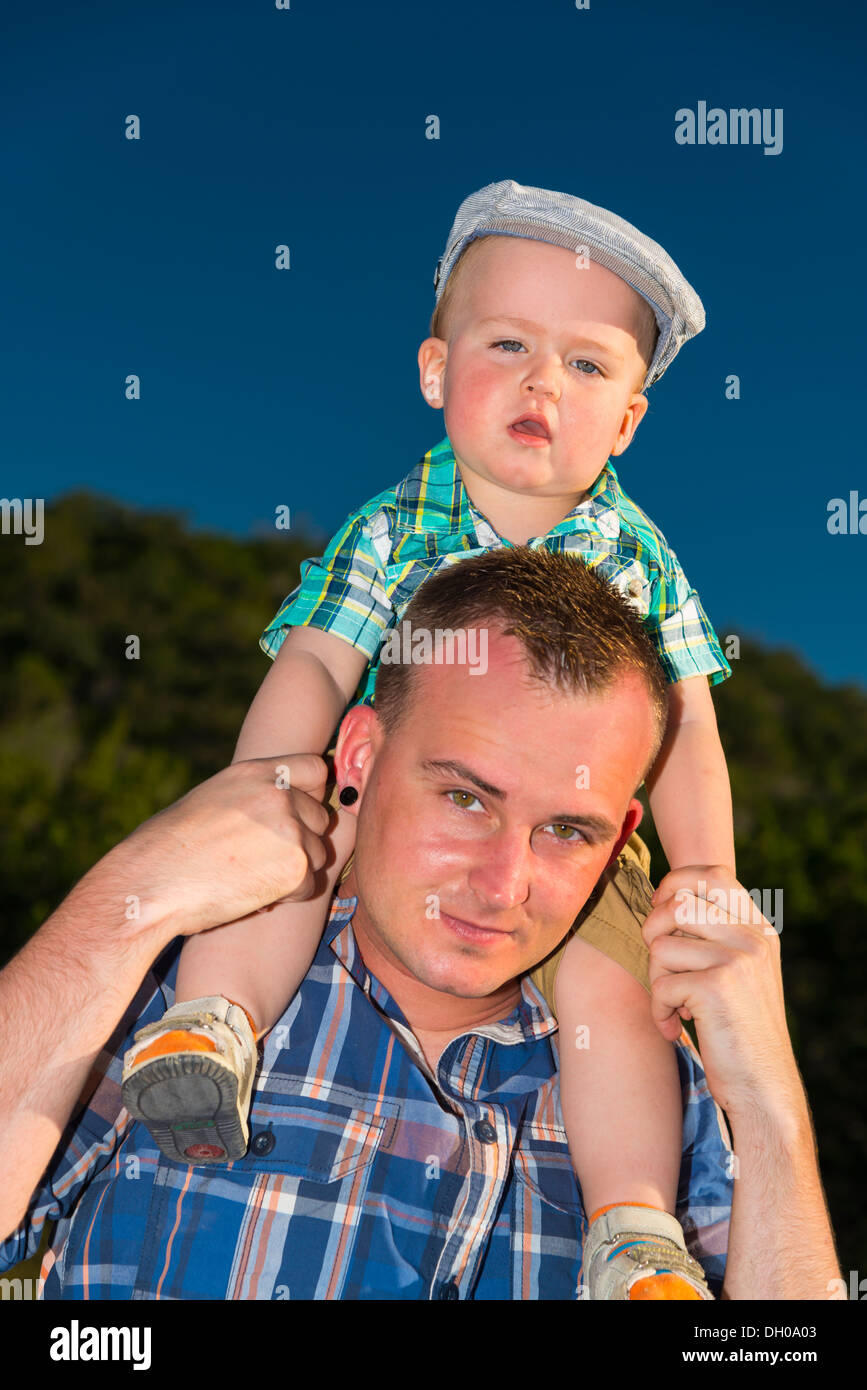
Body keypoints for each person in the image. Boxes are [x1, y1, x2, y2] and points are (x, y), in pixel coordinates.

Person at [122, 178, 736, 1299]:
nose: (545, 381)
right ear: (437, 372)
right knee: (281, 864)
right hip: (394, 782)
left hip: (571, 823)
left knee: (614, 983)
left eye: (589, 364)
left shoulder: (642, 560)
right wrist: (268, 782)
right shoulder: (397, 521)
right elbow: (316, 656)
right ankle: (212, 1024)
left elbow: (688, 717)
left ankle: (633, 1221)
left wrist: (705, 870)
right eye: (508, 344)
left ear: (630, 419)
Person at [0, 549, 839, 1300]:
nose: (502, 885)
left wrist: (768, 1103)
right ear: (360, 755)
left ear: (620, 838)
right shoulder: (172, 997)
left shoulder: (654, 1095)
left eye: (566, 830)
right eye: (466, 799)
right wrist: (127, 898)